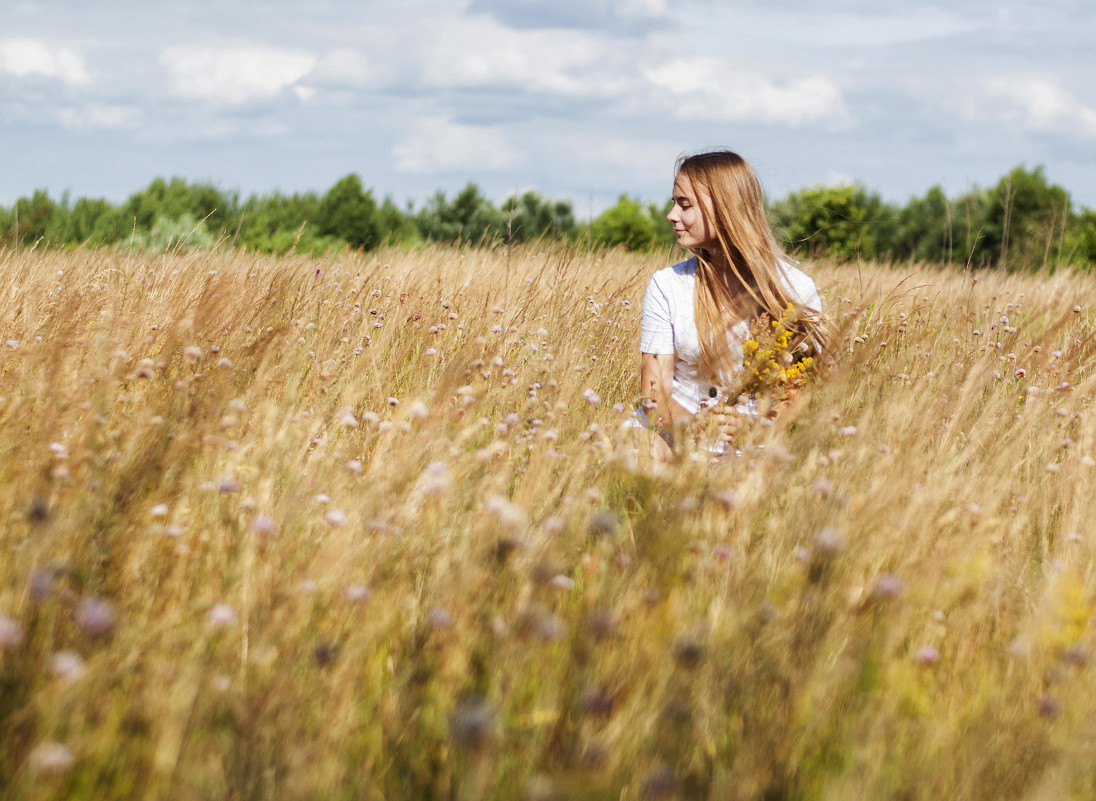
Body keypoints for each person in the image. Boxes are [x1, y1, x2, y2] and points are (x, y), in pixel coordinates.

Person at [639, 150, 835, 459]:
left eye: (684, 204)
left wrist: (751, 429)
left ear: (723, 209)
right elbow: (654, 393)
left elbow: (801, 393)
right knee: (641, 451)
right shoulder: (667, 285)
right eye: (674, 202)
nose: (671, 215)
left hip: (757, 451)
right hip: (675, 443)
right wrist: (692, 425)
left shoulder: (794, 290)